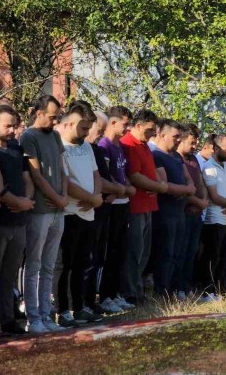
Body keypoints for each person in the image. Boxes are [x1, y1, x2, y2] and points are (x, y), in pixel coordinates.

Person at [21, 95, 67, 333]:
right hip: (40, 210)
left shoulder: (55, 136)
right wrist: (57, 198)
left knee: (49, 265)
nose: (55, 121)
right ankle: (34, 318)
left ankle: (47, 315)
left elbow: (62, 169)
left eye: (57, 117)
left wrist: (64, 197)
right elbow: (36, 175)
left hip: (58, 210)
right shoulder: (28, 136)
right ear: (38, 113)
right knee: (34, 265)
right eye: (52, 117)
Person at [56, 101, 104, 328]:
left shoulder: (86, 146)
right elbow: (65, 181)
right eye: (84, 128)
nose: (87, 133)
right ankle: (63, 310)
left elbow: (96, 174)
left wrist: (96, 196)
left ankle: (80, 306)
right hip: (70, 213)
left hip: (89, 212)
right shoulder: (59, 145)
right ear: (70, 123)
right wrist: (91, 198)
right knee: (66, 265)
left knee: (84, 263)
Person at [120, 109, 168, 305]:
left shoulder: (144, 145)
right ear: (138, 126)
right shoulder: (129, 144)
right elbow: (135, 176)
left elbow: (151, 171)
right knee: (134, 251)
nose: (152, 134)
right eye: (149, 130)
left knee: (144, 252)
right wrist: (159, 186)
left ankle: (138, 290)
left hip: (148, 204)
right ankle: (130, 292)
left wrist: (158, 185)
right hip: (136, 206)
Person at [84, 111, 128, 316]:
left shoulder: (95, 149)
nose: (100, 134)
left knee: (101, 255)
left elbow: (106, 176)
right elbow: (98, 180)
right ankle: (84, 302)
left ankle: (98, 300)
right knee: (89, 258)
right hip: (91, 208)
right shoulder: (99, 147)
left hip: (105, 206)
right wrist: (115, 189)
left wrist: (116, 189)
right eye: (98, 130)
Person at [0, 105, 34, 335]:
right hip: (0, 222)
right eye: (7, 126)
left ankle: (8, 320)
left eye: (14, 126)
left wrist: (26, 201)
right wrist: (17, 202)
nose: (12, 130)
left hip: (19, 221)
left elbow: (26, 179)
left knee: (9, 275)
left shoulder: (15, 148)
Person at [97, 106, 136, 312]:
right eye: (125, 124)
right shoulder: (104, 146)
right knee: (109, 252)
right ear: (112, 122)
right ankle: (104, 296)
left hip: (123, 204)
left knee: (120, 251)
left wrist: (127, 188)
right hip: (111, 206)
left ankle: (114, 293)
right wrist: (121, 189)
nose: (127, 129)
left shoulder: (119, 146)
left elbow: (123, 173)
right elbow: (106, 175)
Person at [152, 120, 195, 296]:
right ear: (162, 135)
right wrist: (187, 190)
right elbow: (165, 185)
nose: (178, 140)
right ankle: (161, 291)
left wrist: (188, 188)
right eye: (175, 136)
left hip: (180, 212)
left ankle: (175, 288)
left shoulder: (176, 156)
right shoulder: (156, 156)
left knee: (179, 252)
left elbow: (188, 178)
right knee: (166, 253)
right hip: (165, 213)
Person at [199, 134, 226, 301]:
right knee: (212, 256)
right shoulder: (209, 167)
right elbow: (214, 196)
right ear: (216, 148)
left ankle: (217, 289)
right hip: (214, 219)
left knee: (223, 256)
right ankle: (206, 291)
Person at [175, 124, 209, 299]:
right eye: (191, 143)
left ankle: (187, 287)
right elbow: (183, 188)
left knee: (192, 252)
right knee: (180, 252)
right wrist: (198, 202)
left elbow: (200, 182)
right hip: (184, 213)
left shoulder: (194, 159)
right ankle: (178, 288)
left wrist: (204, 201)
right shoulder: (176, 159)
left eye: (196, 143)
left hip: (197, 214)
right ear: (181, 139)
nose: (195, 146)